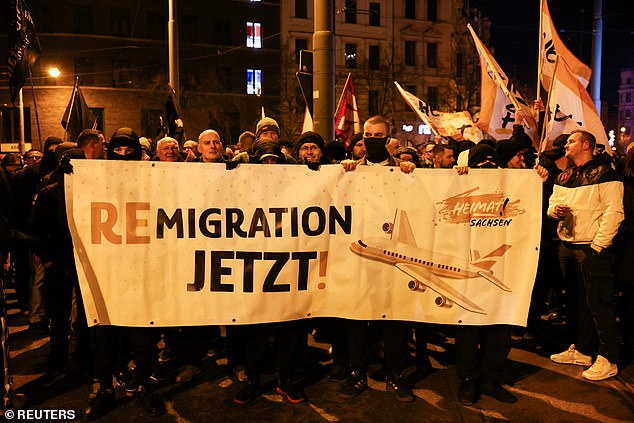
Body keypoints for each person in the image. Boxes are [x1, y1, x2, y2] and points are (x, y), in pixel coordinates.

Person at [337, 115, 415, 403]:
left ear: (388, 138)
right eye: (367, 136)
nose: (372, 140)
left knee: (393, 320)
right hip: (359, 256)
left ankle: (394, 375)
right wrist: (345, 171)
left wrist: (414, 171)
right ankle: (357, 373)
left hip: (393, 257)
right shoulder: (352, 171)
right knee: (358, 318)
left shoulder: (403, 171)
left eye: (378, 136)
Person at [548, 130, 623, 381]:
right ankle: (582, 349)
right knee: (576, 302)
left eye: (571, 141)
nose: (566, 145)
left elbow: (614, 213)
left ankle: (608, 358)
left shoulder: (606, 174)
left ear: (586, 145)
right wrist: (554, 211)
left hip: (591, 248)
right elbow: (551, 203)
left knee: (598, 303)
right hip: (566, 246)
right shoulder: (565, 175)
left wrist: (597, 247)